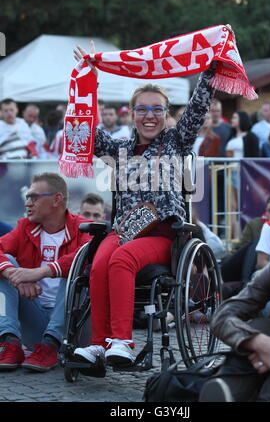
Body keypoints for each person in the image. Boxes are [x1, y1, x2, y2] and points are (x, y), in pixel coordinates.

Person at [72, 40, 217, 370]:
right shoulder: (119, 147)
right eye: (142, 109)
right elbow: (85, 130)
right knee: (97, 263)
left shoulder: (175, 141)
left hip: (165, 234)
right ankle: (97, 344)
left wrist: (211, 68)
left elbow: (197, 109)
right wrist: (85, 78)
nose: (149, 116)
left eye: (157, 110)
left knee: (120, 258)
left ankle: (122, 340)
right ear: (132, 113)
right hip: (125, 229)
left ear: (166, 115)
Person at [0, 173, 90, 372]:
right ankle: (10, 342)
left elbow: (90, 258)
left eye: (34, 197)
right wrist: (14, 276)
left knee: (77, 264)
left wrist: (40, 272)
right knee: (6, 266)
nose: (28, 203)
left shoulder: (82, 227)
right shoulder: (25, 227)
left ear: (57, 199)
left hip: (75, 328)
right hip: (37, 323)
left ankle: (52, 344)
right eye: (27, 198)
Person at [199, 226, 270, 402]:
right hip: (268, 353)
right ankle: (227, 391)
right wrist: (258, 342)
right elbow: (224, 315)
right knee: (262, 326)